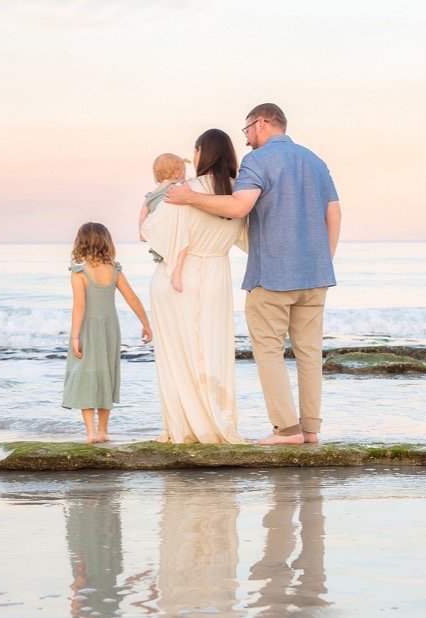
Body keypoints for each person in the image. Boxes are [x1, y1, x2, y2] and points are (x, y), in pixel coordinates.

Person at [167, 102, 341, 446]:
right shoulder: (316, 161)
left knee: (269, 351)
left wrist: (189, 197)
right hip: (316, 274)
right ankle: (310, 430)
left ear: (261, 123)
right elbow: (333, 214)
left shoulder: (258, 161)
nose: (245, 140)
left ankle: (286, 431)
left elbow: (238, 206)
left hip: (272, 275)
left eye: (246, 130)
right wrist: (323, 260)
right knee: (309, 353)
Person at [142, 128, 248, 443]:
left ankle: (185, 428)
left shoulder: (185, 190)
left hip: (178, 275)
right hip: (216, 273)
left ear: (202, 152)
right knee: (213, 349)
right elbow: (247, 240)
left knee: (178, 355)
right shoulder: (239, 192)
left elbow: (153, 231)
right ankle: (216, 422)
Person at [61, 221, 152, 443]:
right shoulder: (114, 269)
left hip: (88, 330)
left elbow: (79, 306)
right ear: (106, 242)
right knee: (106, 374)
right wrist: (146, 324)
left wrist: (74, 336)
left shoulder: (79, 272)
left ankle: (90, 432)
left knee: (85, 376)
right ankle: (103, 431)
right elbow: (132, 298)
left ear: (81, 243)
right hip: (110, 328)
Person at [138, 151, 191, 263]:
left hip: (159, 233)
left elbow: (143, 212)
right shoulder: (175, 187)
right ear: (177, 173)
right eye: (184, 172)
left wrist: (142, 233)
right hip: (171, 229)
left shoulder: (151, 194)